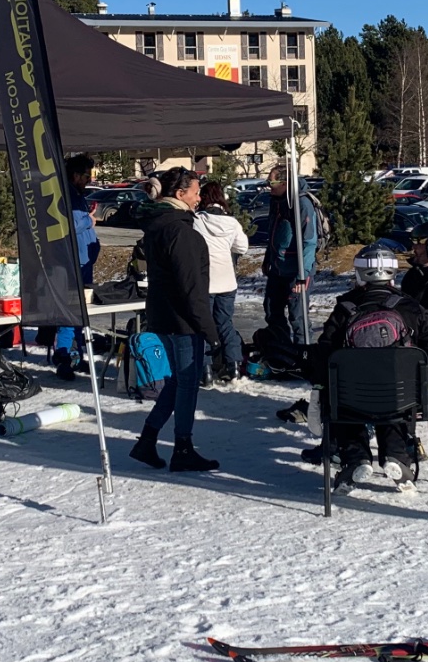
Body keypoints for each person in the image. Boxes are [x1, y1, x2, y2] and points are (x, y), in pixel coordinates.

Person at [311, 246, 428, 489]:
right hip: (402, 396)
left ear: (359, 273)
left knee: (342, 401)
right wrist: (422, 379)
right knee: (396, 400)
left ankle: (356, 458)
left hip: (352, 397)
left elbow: (324, 353)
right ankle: (397, 456)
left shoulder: (345, 308)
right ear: (392, 274)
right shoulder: (410, 307)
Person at [129, 166, 223, 472]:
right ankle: (182, 447)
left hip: (163, 313)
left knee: (178, 381)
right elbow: (191, 288)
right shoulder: (181, 231)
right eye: (196, 193)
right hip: (182, 320)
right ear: (180, 194)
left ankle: (147, 439)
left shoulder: (159, 224)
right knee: (187, 383)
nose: (199, 198)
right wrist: (211, 332)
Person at [193, 180, 250, 382]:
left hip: (205, 282)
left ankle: (205, 369)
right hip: (227, 281)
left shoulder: (197, 220)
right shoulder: (231, 222)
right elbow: (242, 247)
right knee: (225, 323)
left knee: (202, 325)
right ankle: (233, 366)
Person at [51, 154, 102, 380]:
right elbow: (69, 225)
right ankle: (64, 356)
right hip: (72, 264)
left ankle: (75, 354)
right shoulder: (66, 195)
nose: (89, 180)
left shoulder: (78, 195)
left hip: (84, 261)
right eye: (86, 176)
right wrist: (89, 220)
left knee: (80, 313)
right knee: (70, 312)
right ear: (75, 175)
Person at [262, 164, 319, 345]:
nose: (269, 186)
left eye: (271, 183)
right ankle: (282, 350)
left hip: (297, 271)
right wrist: (267, 259)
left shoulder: (302, 204)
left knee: (298, 316)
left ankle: (304, 353)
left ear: (285, 183)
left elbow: (309, 241)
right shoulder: (276, 202)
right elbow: (273, 234)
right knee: (272, 312)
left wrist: (302, 275)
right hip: (277, 269)